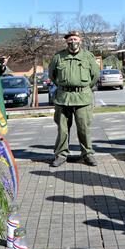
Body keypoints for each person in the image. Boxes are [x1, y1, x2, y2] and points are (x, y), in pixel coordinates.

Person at [49, 31, 100, 168]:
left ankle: (87, 154)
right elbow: (52, 75)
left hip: (83, 97)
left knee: (84, 128)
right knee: (63, 129)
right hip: (63, 97)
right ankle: (61, 155)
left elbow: (95, 75)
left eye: (75, 39)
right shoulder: (58, 57)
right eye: (70, 39)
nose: (73, 41)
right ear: (66, 41)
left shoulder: (88, 57)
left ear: (80, 40)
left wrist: (83, 87)